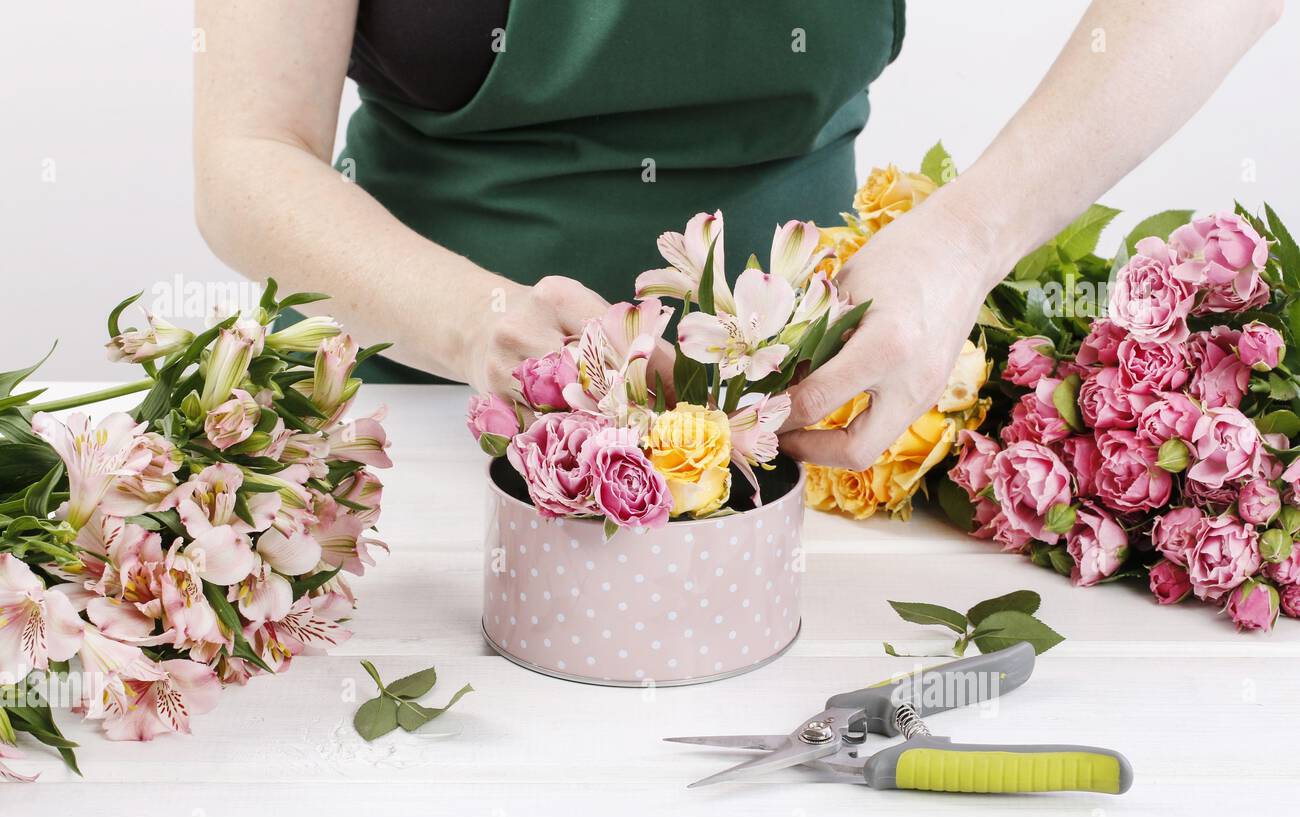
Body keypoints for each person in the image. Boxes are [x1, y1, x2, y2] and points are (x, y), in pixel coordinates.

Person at [193, 0, 1283, 470]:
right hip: (413, 420)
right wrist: (473, 322)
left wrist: (963, 243)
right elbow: (244, 154)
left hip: (821, 425)